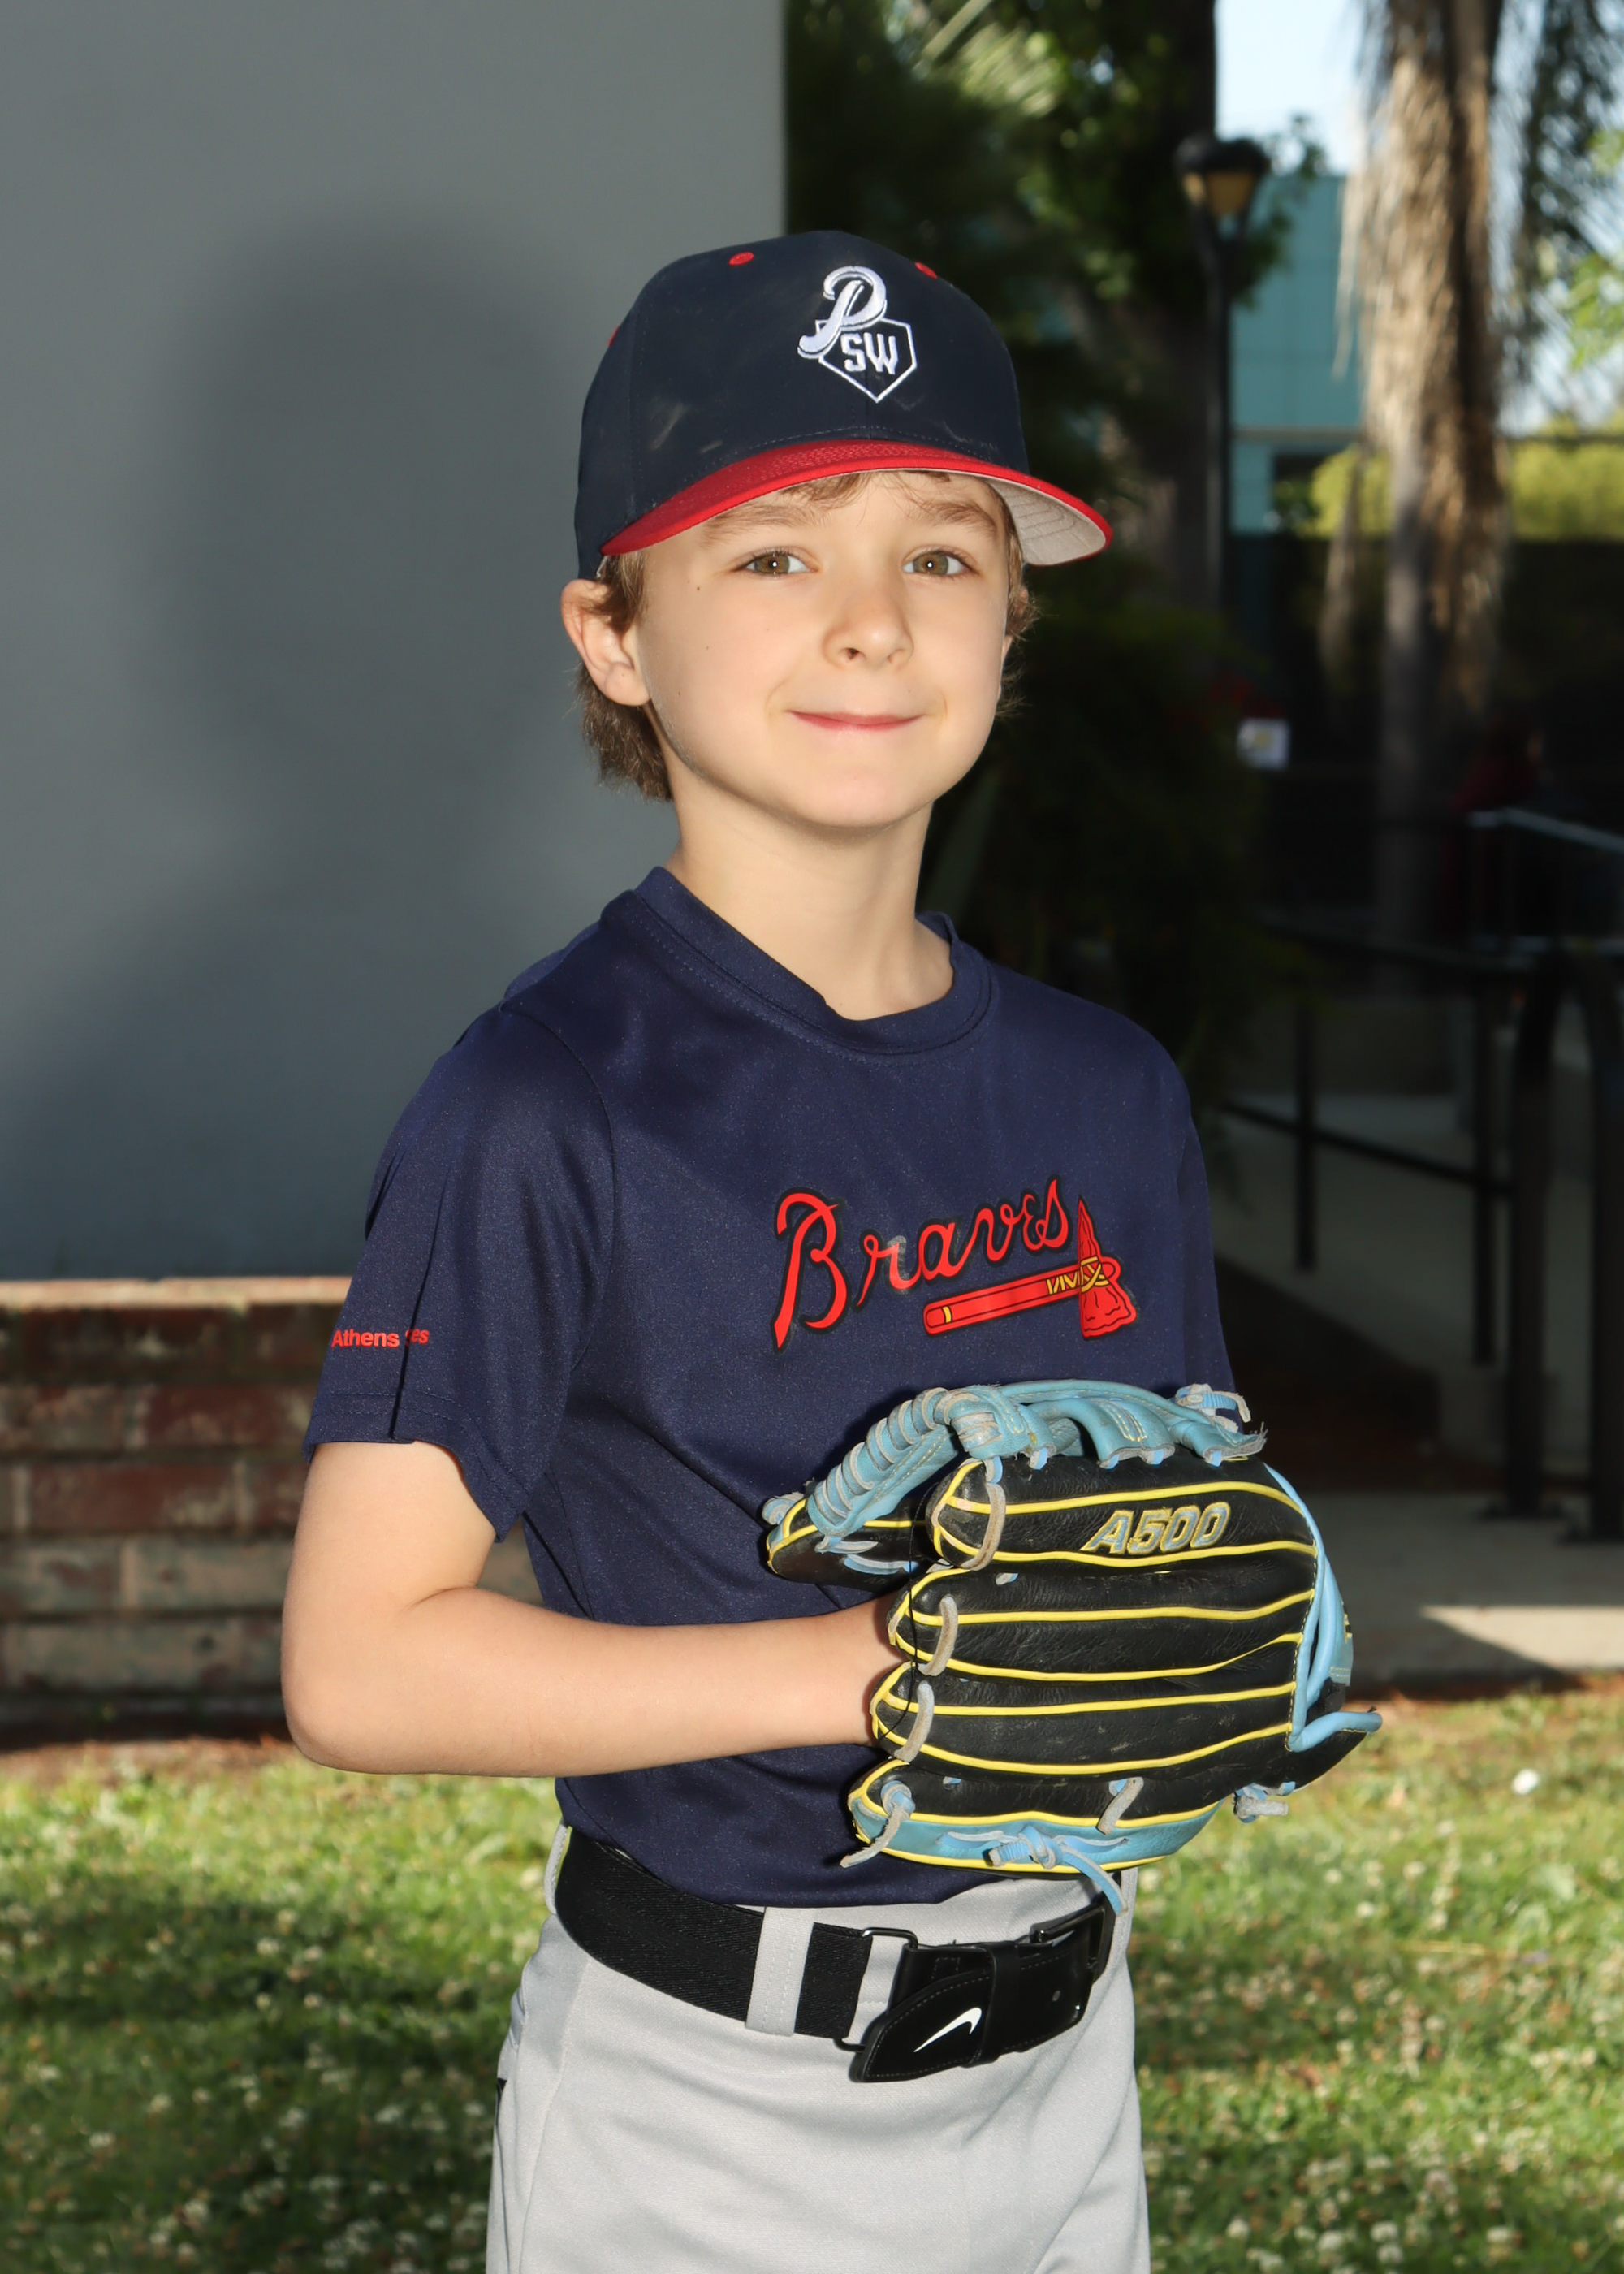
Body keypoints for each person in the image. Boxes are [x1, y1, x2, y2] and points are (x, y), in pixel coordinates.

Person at [282, 230, 1234, 2274]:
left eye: (943, 553)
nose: (872, 620)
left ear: (1009, 626)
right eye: (776, 551)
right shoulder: (545, 1099)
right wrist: (873, 1665)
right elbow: (358, 1659)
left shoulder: (1107, 1092)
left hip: (1067, 2057)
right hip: (715, 2110)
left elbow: (1157, 1536)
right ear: (615, 634)